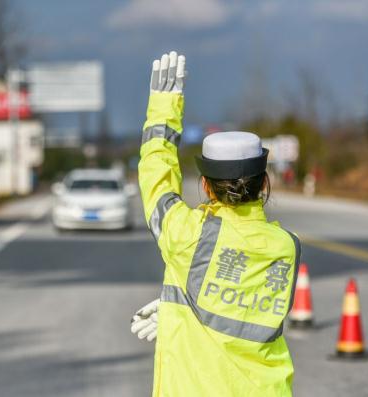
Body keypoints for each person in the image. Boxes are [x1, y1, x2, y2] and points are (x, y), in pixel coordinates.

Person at [131, 51, 300, 397]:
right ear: (263, 184)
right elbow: (237, 311)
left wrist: (164, 108)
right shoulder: (287, 246)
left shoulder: (187, 235)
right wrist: (180, 309)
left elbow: (156, 180)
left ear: (205, 185)